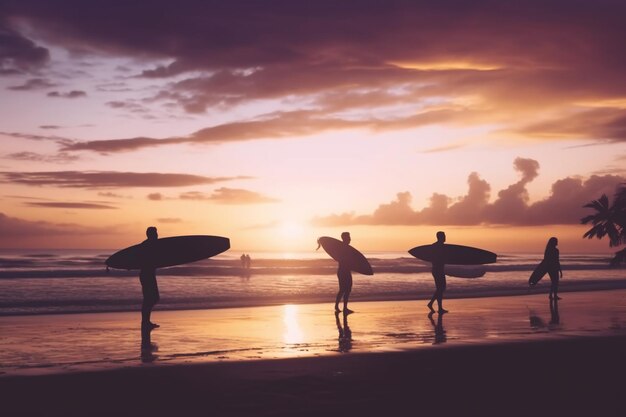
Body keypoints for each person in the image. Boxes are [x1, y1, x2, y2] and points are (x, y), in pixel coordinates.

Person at [140, 226, 160, 329]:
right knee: (150, 299)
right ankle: (145, 322)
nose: (157, 235)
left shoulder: (151, 245)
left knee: (152, 298)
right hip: (146, 274)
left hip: (148, 274)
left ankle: (146, 322)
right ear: (151, 235)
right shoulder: (148, 245)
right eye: (156, 233)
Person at [427, 231, 448, 313]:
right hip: (438, 270)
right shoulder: (440, 247)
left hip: (437, 269)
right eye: (444, 236)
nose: (445, 237)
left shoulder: (434, 246)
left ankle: (435, 306)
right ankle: (435, 306)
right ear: (440, 237)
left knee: (440, 288)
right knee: (441, 288)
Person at [335, 232, 354, 314]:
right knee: (343, 289)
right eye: (348, 237)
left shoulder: (347, 248)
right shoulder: (342, 248)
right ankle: (338, 306)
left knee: (347, 289)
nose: (350, 239)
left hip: (346, 271)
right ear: (344, 238)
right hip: (343, 271)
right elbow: (341, 259)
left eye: (350, 237)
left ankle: (344, 307)